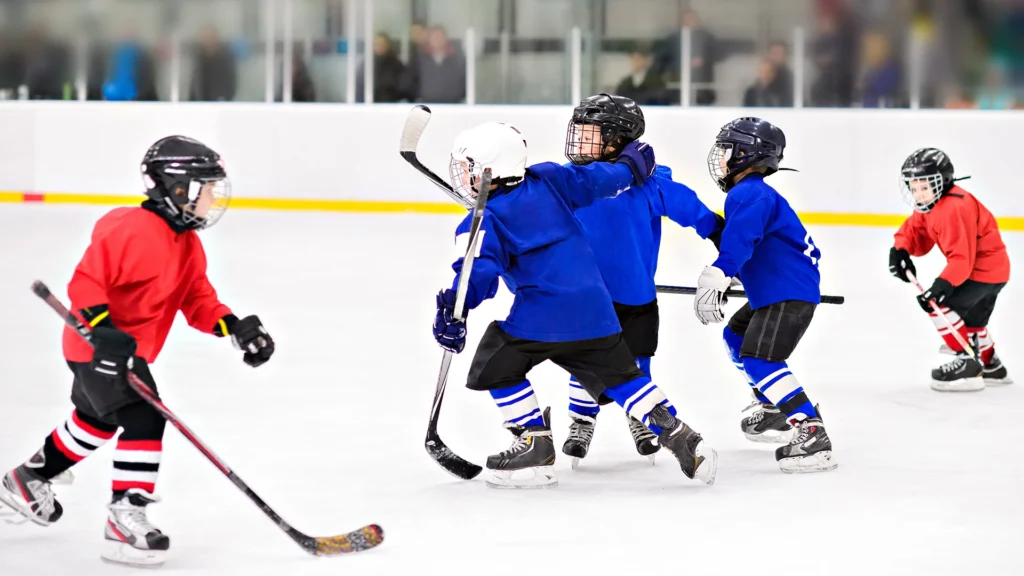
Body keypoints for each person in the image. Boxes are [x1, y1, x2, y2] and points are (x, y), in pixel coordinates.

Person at [0, 136, 276, 568]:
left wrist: (234, 327)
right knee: (145, 416)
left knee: (96, 421)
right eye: (204, 189)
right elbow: (87, 282)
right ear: (177, 187)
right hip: (96, 347)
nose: (211, 200)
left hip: (125, 353)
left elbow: (198, 300)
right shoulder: (131, 229)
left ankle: (28, 478)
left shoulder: (187, 245)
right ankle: (125, 521)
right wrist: (103, 331)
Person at [432, 121, 717, 489]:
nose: (463, 177)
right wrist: (629, 168)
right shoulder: (551, 179)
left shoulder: (482, 223)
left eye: (467, 168)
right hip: (598, 310)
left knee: (495, 363)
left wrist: (455, 309)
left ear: (489, 171)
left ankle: (534, 444)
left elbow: (478, 274)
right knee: (625, 378)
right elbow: (598, 180)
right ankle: (684, 438)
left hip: (542, 315)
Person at [560, 93, 723, 469]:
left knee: (636, 360)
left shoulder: (649, 185)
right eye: (579, 132)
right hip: (586, 296)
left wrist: (723, 240)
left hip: (635, 297)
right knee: (585, 362)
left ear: (618, 141)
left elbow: (694, 210)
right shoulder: (571, 181)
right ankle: (582, 421)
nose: (580, 142)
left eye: (590, 134)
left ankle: (641, 417)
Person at [693, 117, 836, 474]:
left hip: (786, 294)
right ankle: (773, 407)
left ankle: (811, 431)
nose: (721, 158)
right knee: (735, 335)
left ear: (746, 153)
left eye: (727, 150)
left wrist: (720, 272)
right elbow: (755, 247)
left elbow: (741, 241)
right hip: (778, 291)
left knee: (759, 359)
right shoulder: (751, 194)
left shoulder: (749, 192)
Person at [888, 148, 1011, 392]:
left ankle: (966, 364)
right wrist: (900, 250)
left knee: (939, 305)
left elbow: (962, 259)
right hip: (993, 270)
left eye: (924, 187)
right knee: (974, 323)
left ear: (942, 182)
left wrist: (941, 286)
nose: (918, 194)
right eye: (914, 188)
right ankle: (991, 365)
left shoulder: (954, 207)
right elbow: (915, 229)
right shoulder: (933, 203)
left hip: (983, 271)